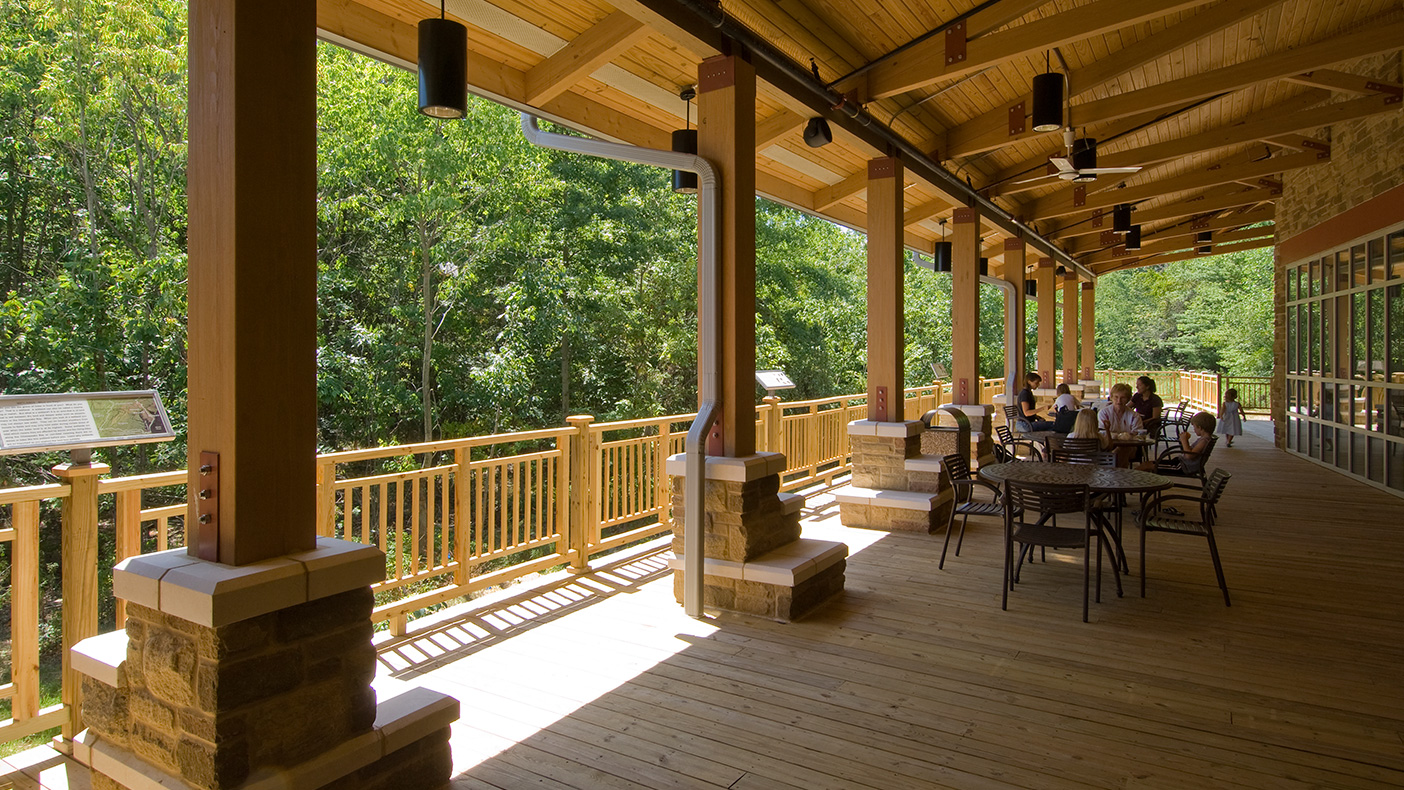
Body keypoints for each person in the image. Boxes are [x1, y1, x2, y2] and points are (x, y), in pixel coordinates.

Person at [1141, 411, 1215, 476]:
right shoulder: (1205, 439)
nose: (1194, 429)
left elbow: (1189, 456)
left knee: (1147, 466)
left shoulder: (1204, 441)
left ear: (1200, 427)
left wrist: (1184, 441)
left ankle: (1133, 480)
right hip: (1182, 463)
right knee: (1147, 464)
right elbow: (1191, 452)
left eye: (1194, 427)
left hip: (1182, 467)